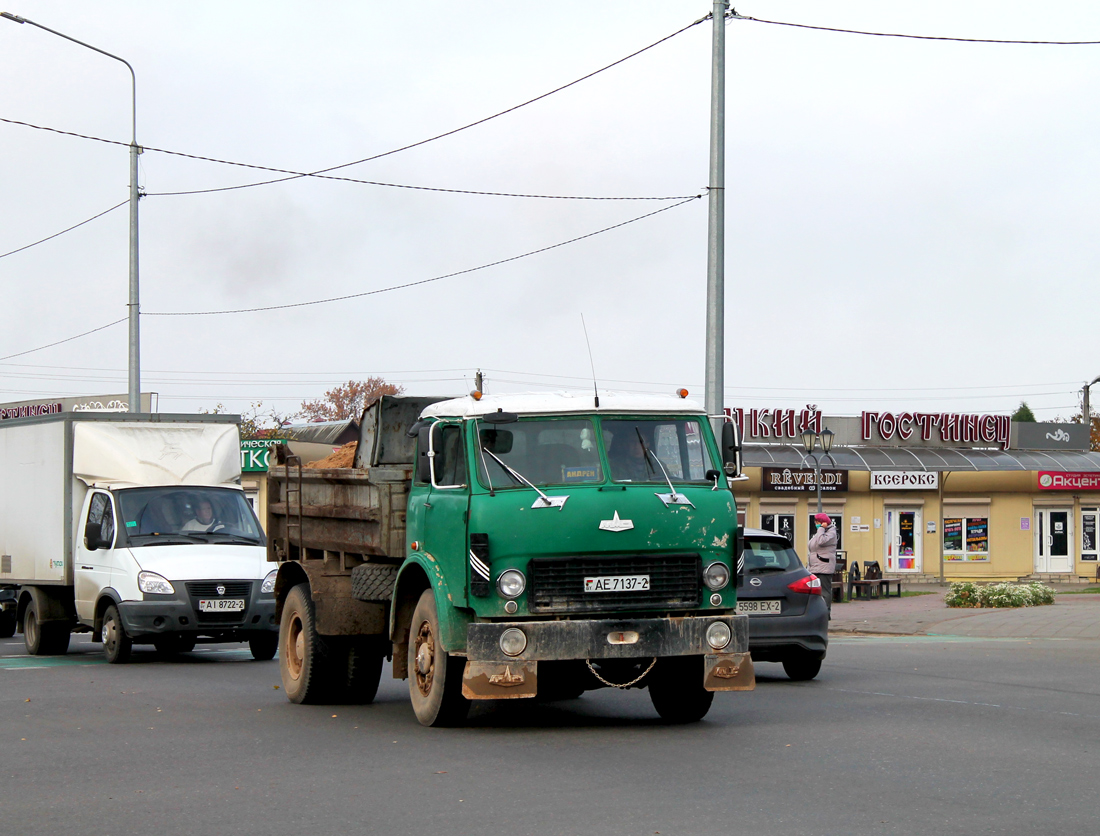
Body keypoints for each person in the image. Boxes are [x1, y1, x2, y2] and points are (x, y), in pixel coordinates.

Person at [807, 512, 838, 614]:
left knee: (825, 591)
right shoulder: (820, 532)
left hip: (824, 566)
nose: (816, 524)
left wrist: (820, 528)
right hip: (814, 566)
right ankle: (815, 611)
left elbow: (821, 541)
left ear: (822, 522)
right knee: (813, 590)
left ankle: (826, 612)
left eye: (817, 522)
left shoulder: (831, 533)